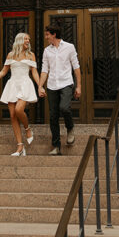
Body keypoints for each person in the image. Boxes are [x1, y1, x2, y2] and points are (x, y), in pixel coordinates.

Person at [0, 32, 41, 157]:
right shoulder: (11, 55)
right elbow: (4, 72)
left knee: (19, 109)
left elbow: (34, 72)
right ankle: (20, 147)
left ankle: (27, 129)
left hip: (25, 83)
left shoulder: (31, 55)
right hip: (13, 84)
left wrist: (40, 86)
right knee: (12, 115)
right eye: (26, 39)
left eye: (29, 39)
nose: (28, 41)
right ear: (19, 40)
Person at [38, 24, 81, 155]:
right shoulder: (47, 51)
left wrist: (78, 86)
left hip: (66, 83)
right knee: (53, 116)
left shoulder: (69, 47)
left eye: (47, 34)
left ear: (54, 34)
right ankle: (56, 146)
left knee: (64, 108)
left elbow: (76, 67)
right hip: (51, 85)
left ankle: (70, 128)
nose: (46, 37)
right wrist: (40, 86)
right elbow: (45, 70)